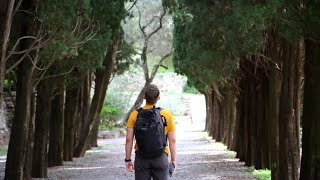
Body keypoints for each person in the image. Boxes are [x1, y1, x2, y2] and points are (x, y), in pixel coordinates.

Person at [125, 84, 177, 180]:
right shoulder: (166, 114)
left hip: (141, 158)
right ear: (159, 97)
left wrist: (128, 159)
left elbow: (129, 139)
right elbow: (172, 140)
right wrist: (173, 160)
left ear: (144, 97)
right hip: (161, 157)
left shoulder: (135, 114)